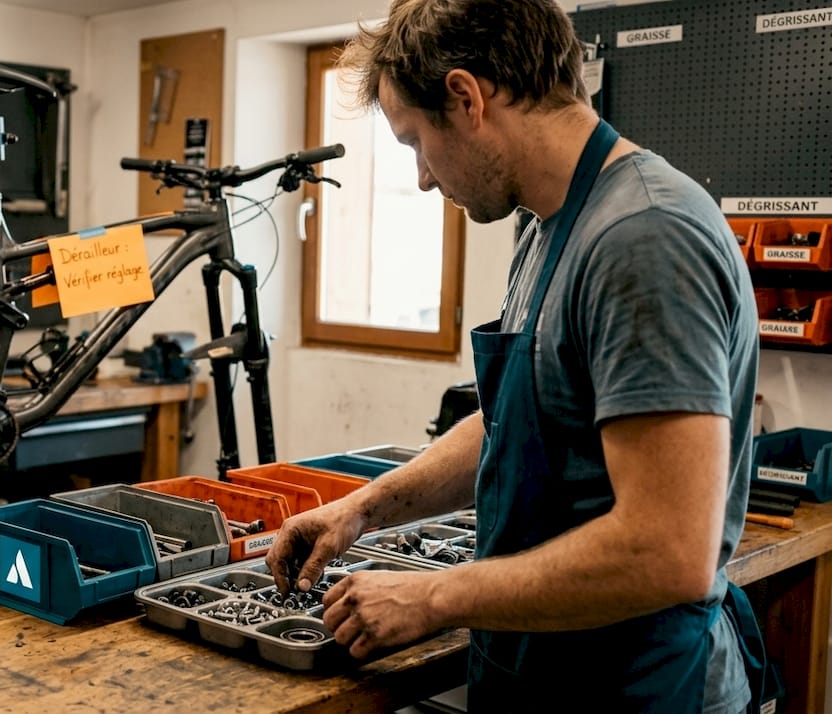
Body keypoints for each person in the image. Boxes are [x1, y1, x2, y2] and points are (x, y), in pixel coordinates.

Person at [265, 1, 768, 711]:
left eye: (415, 142)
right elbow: (518, 416)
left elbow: (668, 552)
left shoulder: (644, 238)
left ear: (466, 98)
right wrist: (363, 509)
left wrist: (433, 596)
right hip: (543, 671)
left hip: (634, 688)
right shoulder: (547, 225)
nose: (423, 177)